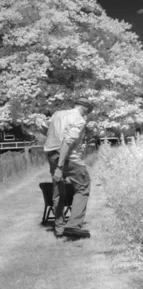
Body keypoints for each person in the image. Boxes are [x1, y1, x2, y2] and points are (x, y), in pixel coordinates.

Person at [43, 98, 94, 239]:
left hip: (51, 153)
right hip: (66, 157)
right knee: (83, 186)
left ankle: (59, 230)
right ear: (84, 109)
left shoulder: (57, 114)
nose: (86, 115)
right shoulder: (79, 119)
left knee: (58, 190)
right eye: (87, 112)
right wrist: (60, 166)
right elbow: (67, 141)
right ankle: (73, 226)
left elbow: (45, 130)